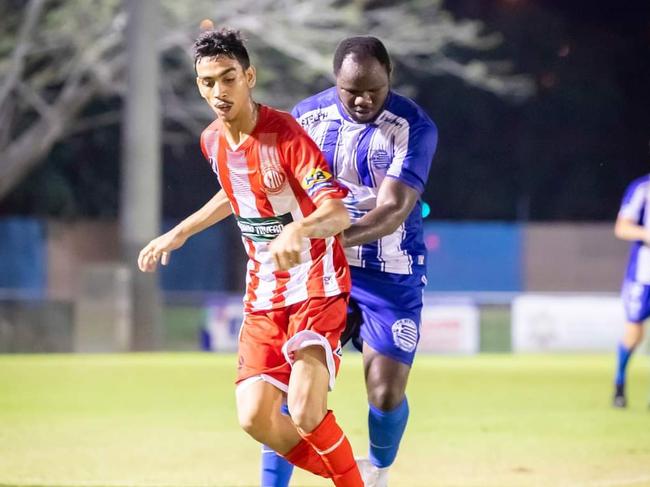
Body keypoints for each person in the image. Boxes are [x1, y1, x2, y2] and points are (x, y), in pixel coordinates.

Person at [137, 28, 364, 486]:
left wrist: (299, 229)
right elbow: (233, 192)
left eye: (228, 79)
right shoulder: (212, 141)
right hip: (263, 297)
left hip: (316, 288)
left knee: (304, 409)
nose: (218, 92)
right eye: (207, 83)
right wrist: (178, 233)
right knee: (255, 418)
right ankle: (352, 478)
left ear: (249, 77)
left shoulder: (286, 135)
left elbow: (336, 211)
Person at [260, 36, 438, 487]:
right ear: (334, 81)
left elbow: (393, 209)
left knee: (385, 390)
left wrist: (329, 240)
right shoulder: (305, 118)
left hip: (390, 273)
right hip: (321, 275)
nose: (362, 100)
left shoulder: (414, 126)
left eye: (373, 90)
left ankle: (377, 471)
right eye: (350, 90)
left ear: (389, 78)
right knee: (292, 389)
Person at [612, 173, 650, 408]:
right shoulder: (642, 188)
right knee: (634, 334)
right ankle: (619, 383)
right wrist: (646, 234)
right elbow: (622, 227)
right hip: (643, 276)